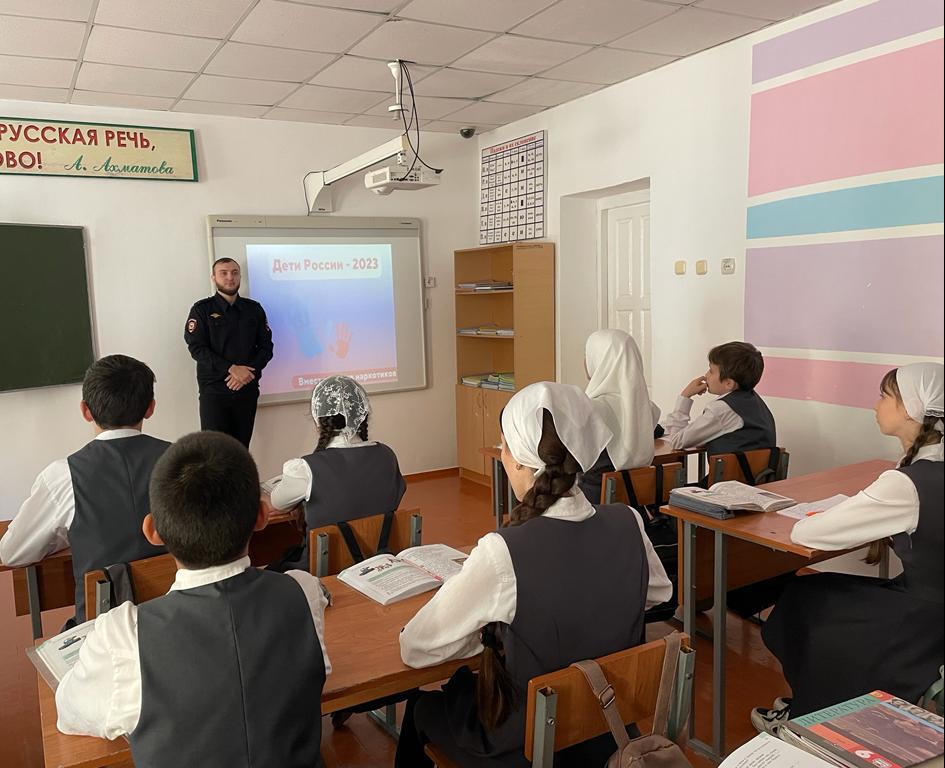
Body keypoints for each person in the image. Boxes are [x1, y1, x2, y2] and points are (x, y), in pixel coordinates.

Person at [394, 382, 672, 767]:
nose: (502, 454)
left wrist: (498, 633)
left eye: (504, 445)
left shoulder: (502, 551)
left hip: (529, 745)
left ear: (521, 461)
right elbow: (658, 592)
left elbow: (416, 647)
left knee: (423, 707)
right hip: (607, 727)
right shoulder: (629, 521)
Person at [55, 431, 331, 768]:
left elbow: (70, 713)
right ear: (262, 516)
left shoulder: (124, 636)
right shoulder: (304, 592)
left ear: (152, 531)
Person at [753, 363, 944, 730]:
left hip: (923, 620)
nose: (875, 405)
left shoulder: (906, 483)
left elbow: (807, 534)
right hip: (930, 605)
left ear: (911, 408)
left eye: (884, 396)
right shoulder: (927, 469)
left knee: (808, 600)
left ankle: (811, 718)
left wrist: (836, 512)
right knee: (824, 593)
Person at [0, 355, 169, 625]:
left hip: (101, 633)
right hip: (179, 622)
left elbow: (13, 552)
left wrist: (69, 533)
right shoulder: (186, 462)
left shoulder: (63, 475)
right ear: (150, 408)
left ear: (85, 410)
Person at [269, 375, 406, 572]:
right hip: (379, 563)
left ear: (318, 420)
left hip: (323, 570)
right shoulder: (387, 456)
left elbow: (277, 504)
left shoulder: (304, 469)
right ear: (362, 415)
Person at [184, 257, 273, 447]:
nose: (230, 277)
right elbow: (197, 347)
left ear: (240, 276)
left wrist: (247, 373)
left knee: (241, 449)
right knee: (214, 451)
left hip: (246, 389)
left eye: (234, 273)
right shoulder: (201, 310)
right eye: (223, 273)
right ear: (213, 278)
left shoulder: (254, 309)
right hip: (214, 392)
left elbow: (266, 348)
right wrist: (231, 369)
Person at [579, 329, 661, 503]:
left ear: (601, 359)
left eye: (587, 355)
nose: (585, 361)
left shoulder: (591, 409)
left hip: (592, 503)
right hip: (636, 502)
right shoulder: (647, 408)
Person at [660, 341, 775, 455]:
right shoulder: (755, 402)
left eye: (711, 371)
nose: (706, 375)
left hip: (730, 468)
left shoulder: (722, 409)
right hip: (757, 468)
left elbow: (676, 441)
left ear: (729, 383)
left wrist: (685, 396)